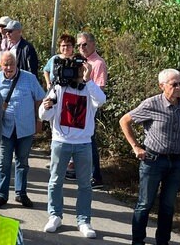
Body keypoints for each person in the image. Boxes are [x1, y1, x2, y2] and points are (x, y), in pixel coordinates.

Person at [120, 68, 180, 245]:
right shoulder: (151, 104)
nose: (178, 88)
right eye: (174, 84)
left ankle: (163, 241)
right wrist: (136, 147)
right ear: (162, 86)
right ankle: (138, 241)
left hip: (176, 162)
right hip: (153, 160)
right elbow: (124, 121)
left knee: (168, 207)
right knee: (144, 204)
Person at [38, 54, 106, 238]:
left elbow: (101, 100)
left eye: (77, 69)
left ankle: (83, 220)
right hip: (61, 141)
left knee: (85, 185)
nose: (73, 73)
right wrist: (46, 107)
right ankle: (55, 216)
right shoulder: (58, 87)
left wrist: (88, 79)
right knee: (55, 181)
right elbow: (43, 116)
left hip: (83, 143)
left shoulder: (89, 89)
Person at [0, 52, 45, 209]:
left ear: (17, 64)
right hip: (5, 129)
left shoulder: (29, 78)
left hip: (25, 128)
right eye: (5, 64)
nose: (9, 67)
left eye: (11, 64)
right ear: (0, 65)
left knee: (22, 162)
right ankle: (2, 194)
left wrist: (39, 119)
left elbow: (40, 98)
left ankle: (21, 193)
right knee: (3, 163)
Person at [76, 31, 108, 187]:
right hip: (77, 106)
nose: (82, 48)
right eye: (79, 45)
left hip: (90, 107)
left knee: (89, 141)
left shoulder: (98, 63)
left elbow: (100, 89)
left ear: (93, 44)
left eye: (85, 44)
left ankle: (96, 176)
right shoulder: (79, 61)